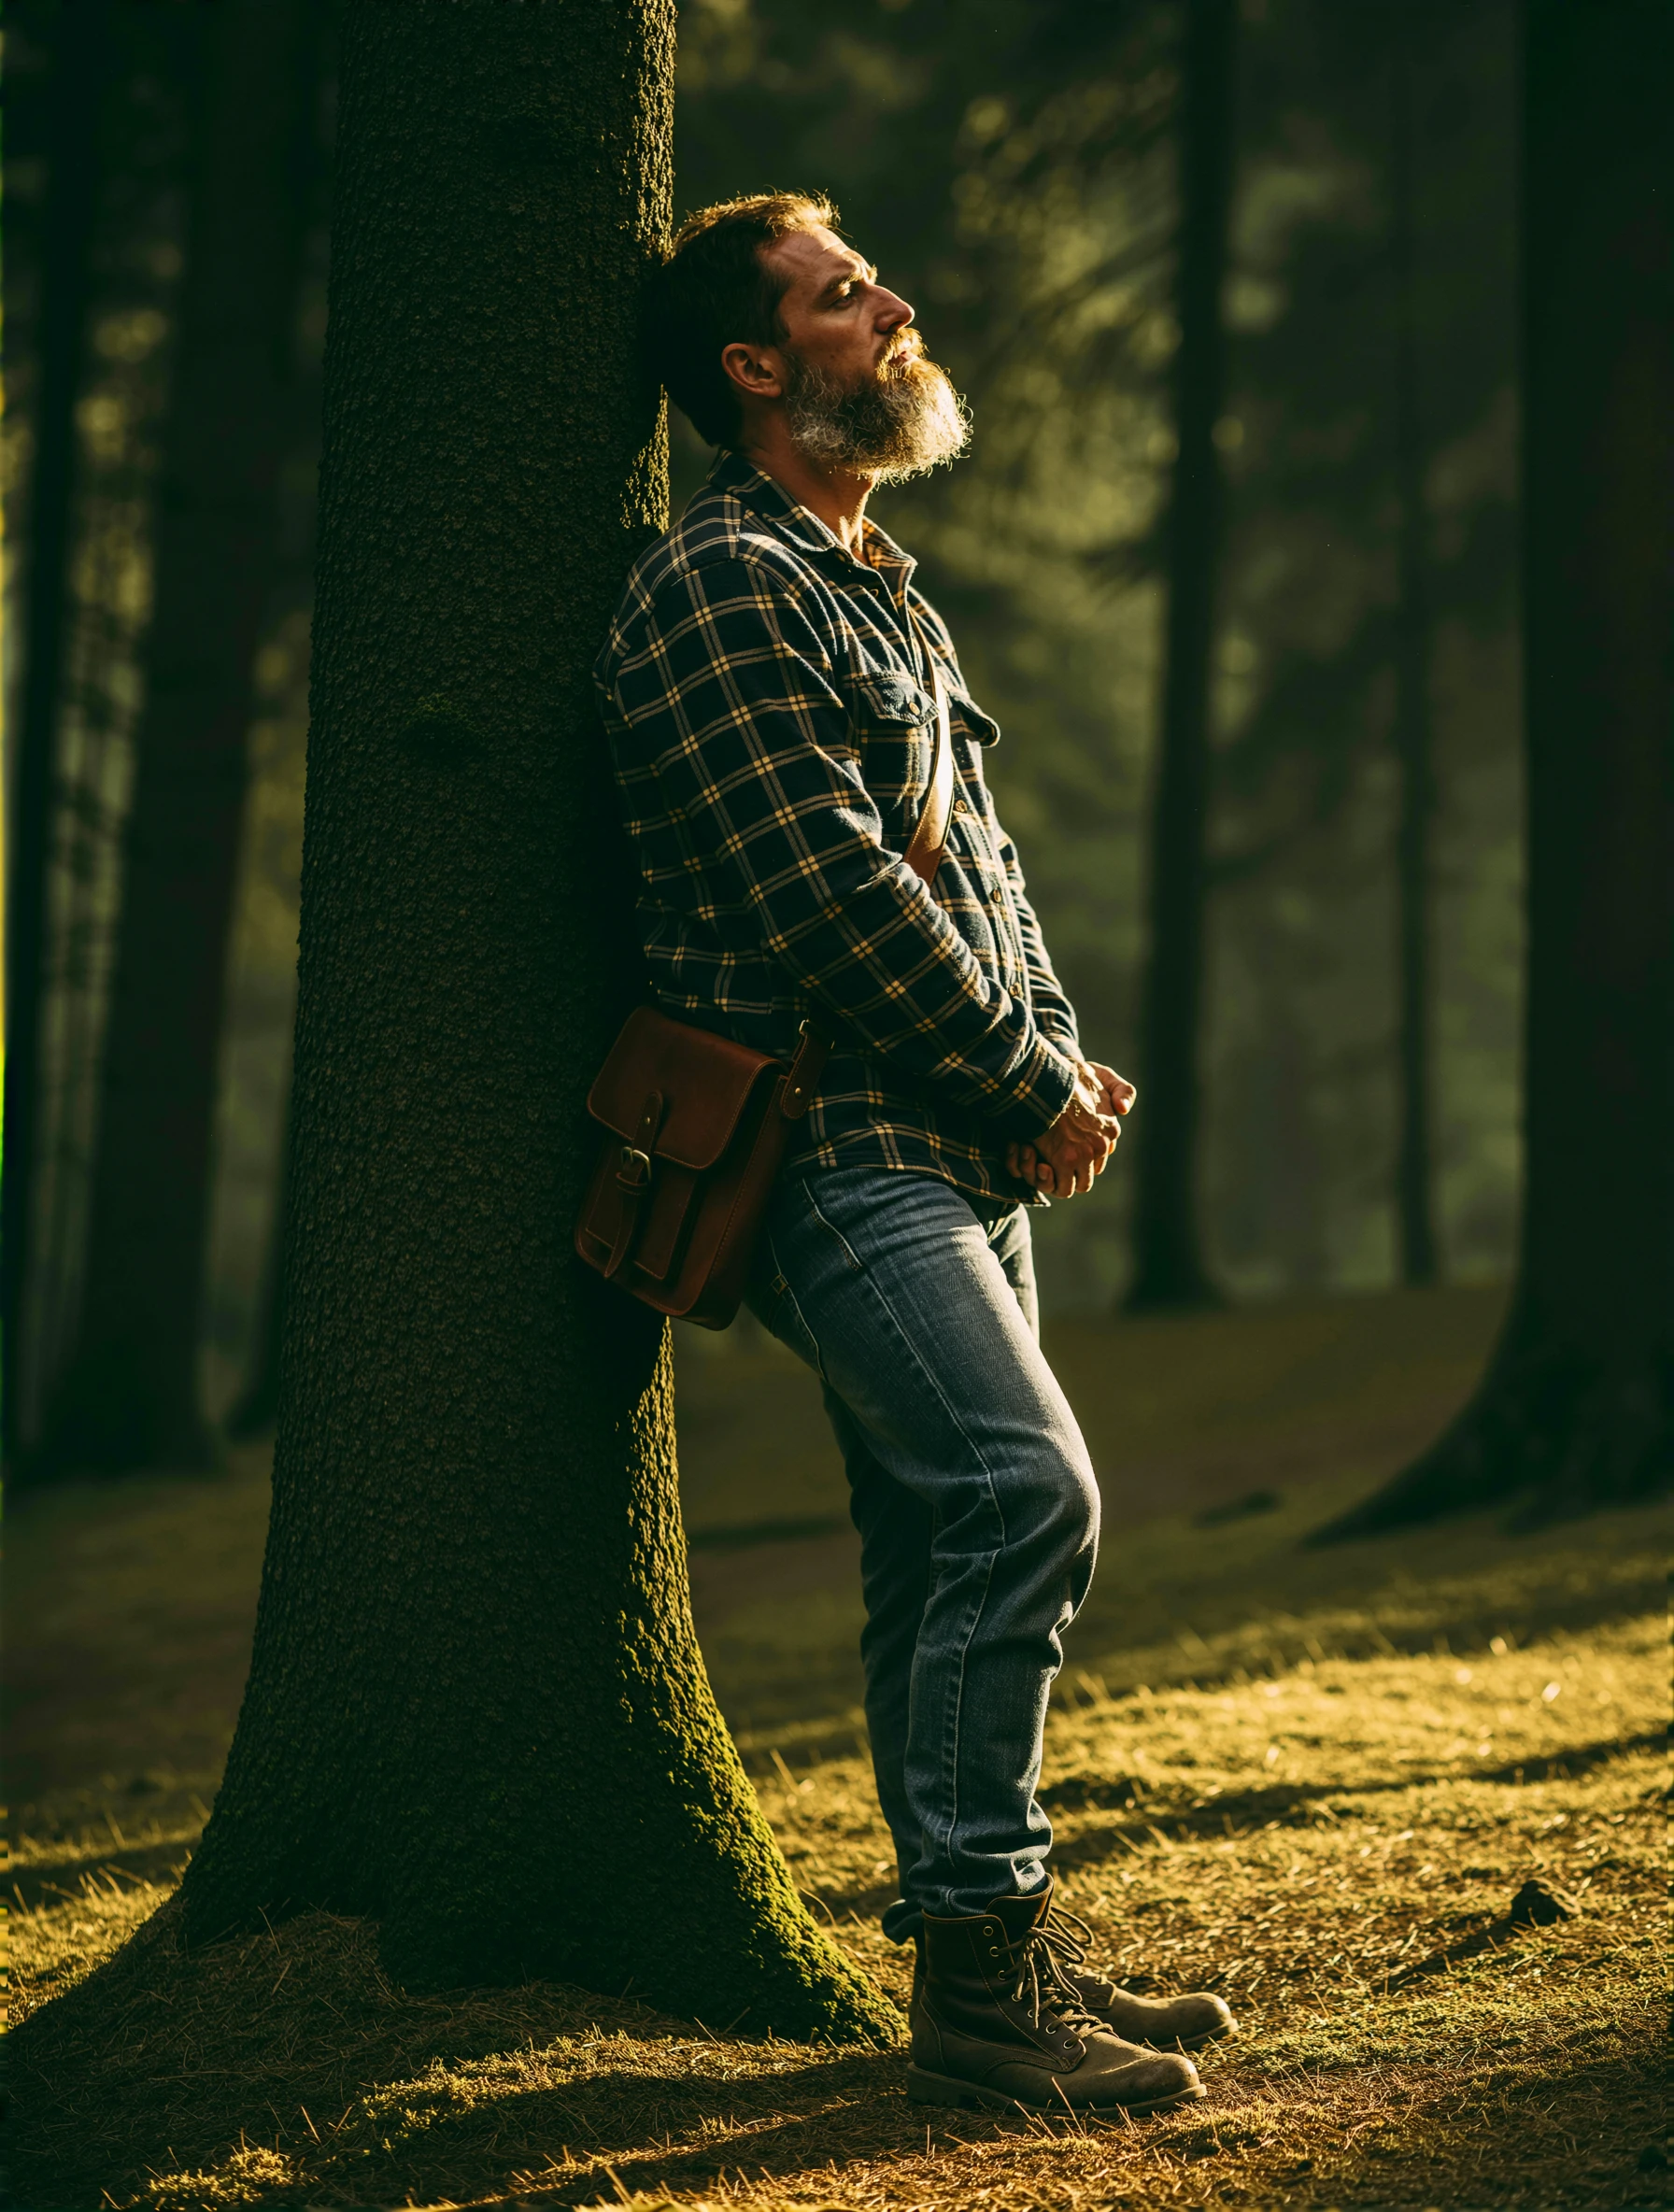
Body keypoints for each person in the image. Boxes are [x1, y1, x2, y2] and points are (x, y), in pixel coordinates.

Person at [595, 191, 1233, 2116]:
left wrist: (1051, 1063)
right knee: (1019, 1493)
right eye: (841, 296)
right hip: (828, 1149)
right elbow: (830, 902)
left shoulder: (874, 583)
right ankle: (978, 1978)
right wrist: (1015, 1079)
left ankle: (992, 1950)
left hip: (946, 1135)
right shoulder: (722, 585)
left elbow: (979, 880)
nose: (894, 311)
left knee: (922, 1541)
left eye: (867, 285)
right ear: (754, 368)